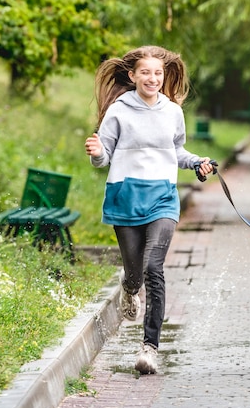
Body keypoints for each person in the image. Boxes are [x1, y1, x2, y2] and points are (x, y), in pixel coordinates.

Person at [84, 45, 214, 375]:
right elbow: (104, 158)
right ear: (132, 76)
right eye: (145, 72)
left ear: (164, 76)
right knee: (134, 274)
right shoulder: (119, 111)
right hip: (125, 197)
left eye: (158, 73)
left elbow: (176, 151)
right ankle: (129, 289)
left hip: (162, 198)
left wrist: (197, 162)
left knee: (153, 267)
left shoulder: (172, 112)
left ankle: (149, 348)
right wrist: (97, 151)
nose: (152, 78)